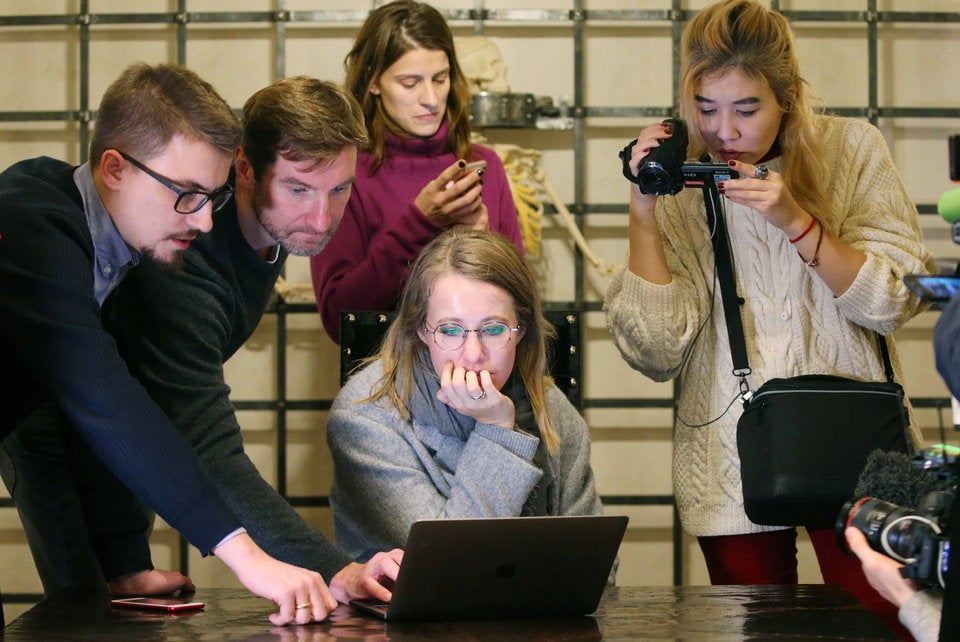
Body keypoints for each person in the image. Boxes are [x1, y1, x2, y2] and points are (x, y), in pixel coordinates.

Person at [0, 75, 402, 618]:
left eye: (340, 190)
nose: (203, 220)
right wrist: (263, 559)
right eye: (299, 189)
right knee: (80, 611)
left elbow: (121, 399)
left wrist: (122, 557)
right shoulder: (45, 228)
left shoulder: (156, 229)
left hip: (81, 431)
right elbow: (106, 397)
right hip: (47, 428)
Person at [603, 0, 936, 634]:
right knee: (756, 629)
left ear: (786, 96)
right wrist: (643, 206)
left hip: (856, 440)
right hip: (728, 451)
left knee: (887, 621)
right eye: (706, 108)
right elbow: (655, 350)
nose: (724, 129)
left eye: (746, 108)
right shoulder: (683, 175)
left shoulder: (851, 149)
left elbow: (894, 302)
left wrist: (795, 222)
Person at [326, 228, 604, 563]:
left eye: (494, 329)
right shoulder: (365, 417)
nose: (473, 355)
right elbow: (452, 561)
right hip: (401, 614)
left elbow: (595, 562)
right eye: (450, 330)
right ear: (421, 331)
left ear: (522, 330)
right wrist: (496, 430)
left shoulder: (551, 406)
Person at [309, 0, 523, 344]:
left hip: (485, 376)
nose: (431, 99)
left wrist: (483, 251)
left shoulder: (485, 164)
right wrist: (421, 223)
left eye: (440, 79)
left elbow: (521, 307)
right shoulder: (348, 172)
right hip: (385, 383)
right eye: (410, 83)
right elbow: (340, 318)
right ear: (373, 81)